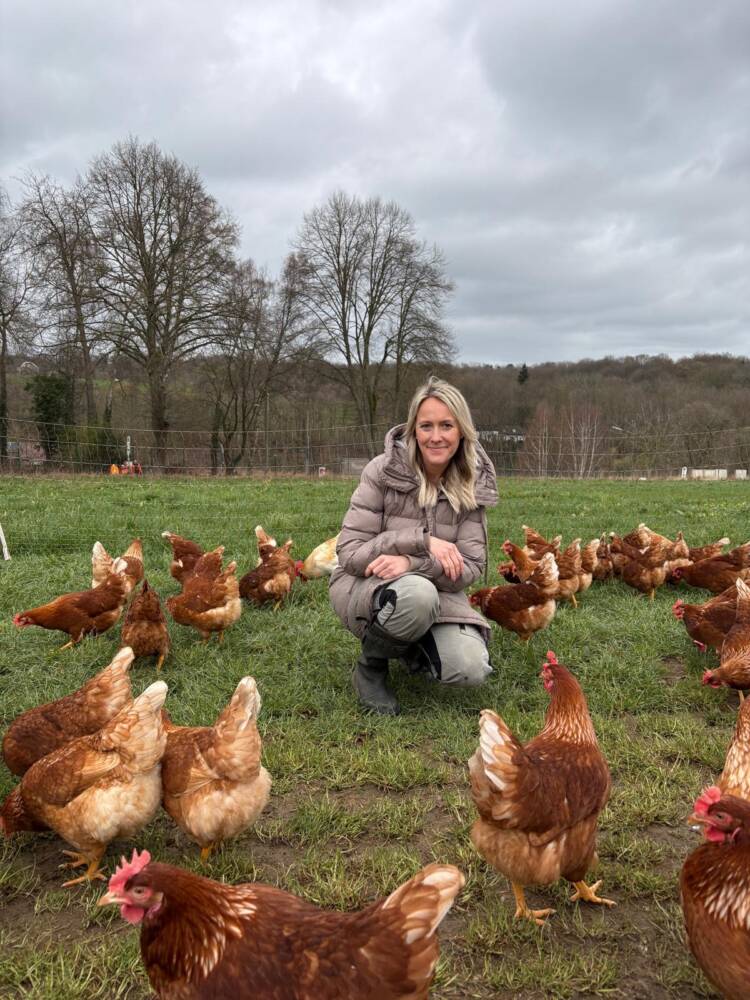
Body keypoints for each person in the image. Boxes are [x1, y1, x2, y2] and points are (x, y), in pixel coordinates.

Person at [329, 375, 498, 715]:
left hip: (436, 590)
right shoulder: (382, 471)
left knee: (470, 668)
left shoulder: (471, 482)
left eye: (446, 425)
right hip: (366, 582)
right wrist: (420, 542)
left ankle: (408, 643)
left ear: (461, 430)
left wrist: (412, 563)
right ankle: (371, 667)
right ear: (413, 430)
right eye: (426, 426)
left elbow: (471, 567)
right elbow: (349, 554)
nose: (436, 436)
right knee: (417, 595)